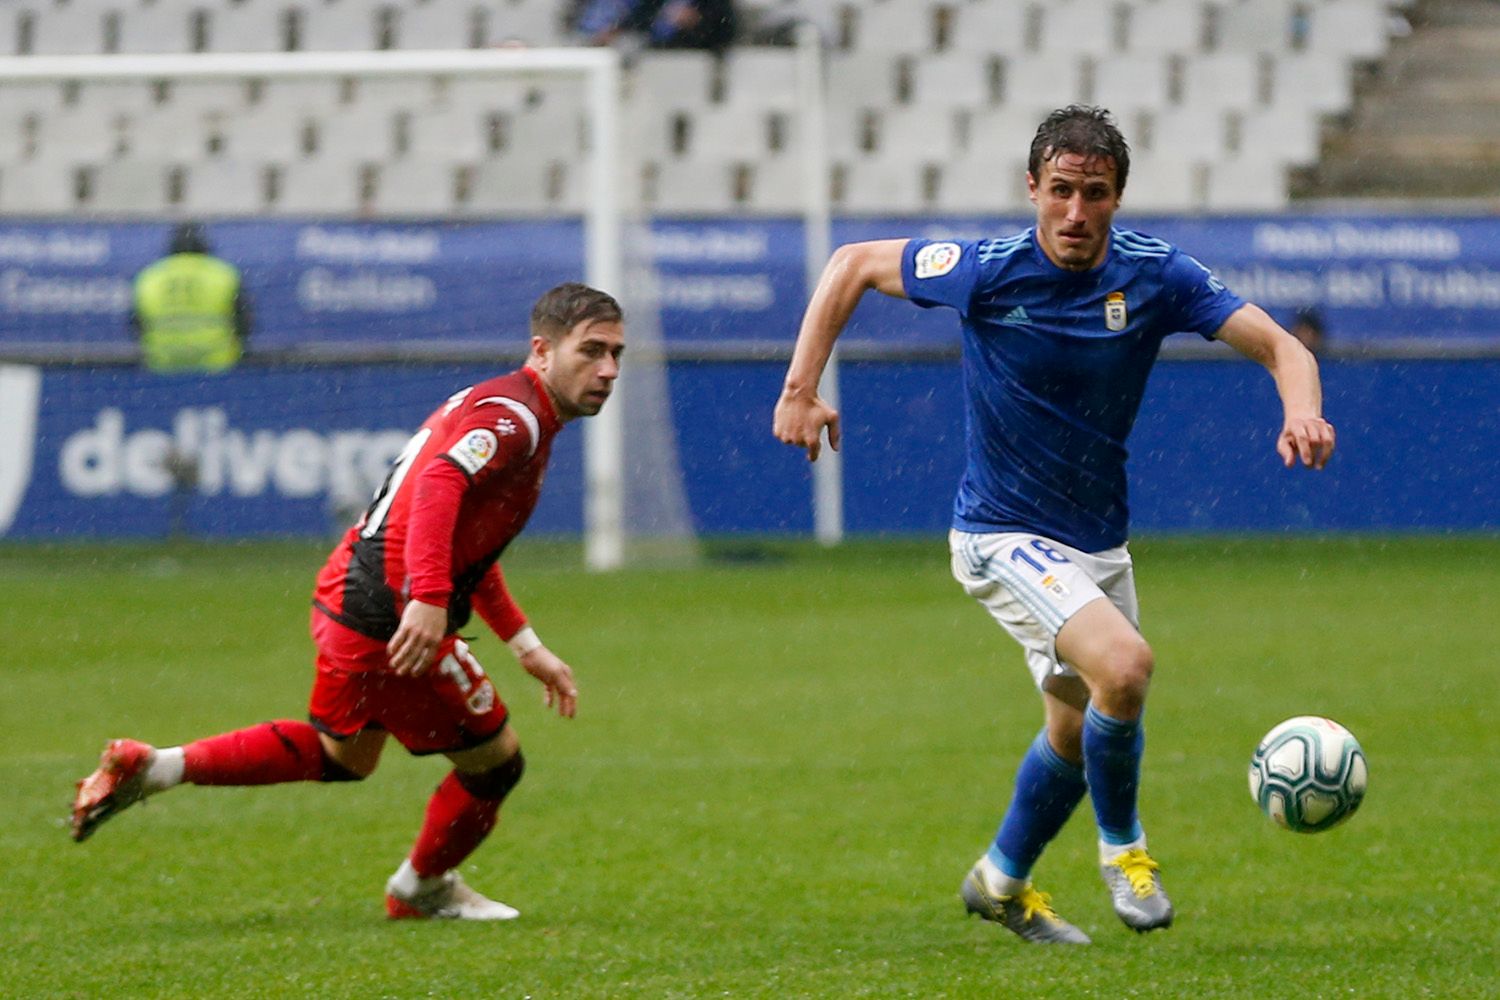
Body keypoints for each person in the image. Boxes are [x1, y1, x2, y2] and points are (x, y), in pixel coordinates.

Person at [773, 106, 1335, 945]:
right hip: (1000, 534)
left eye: (1095, 194)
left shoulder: (1157, 276)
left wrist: (1303, 411)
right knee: (1128, 667)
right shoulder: (986, 270)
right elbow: (851, 263)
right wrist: (798, 387)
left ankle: (999, 882)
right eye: (1061, 191)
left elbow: (1285, 348)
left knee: (1075, 731)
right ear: (1032, 188)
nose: (1075, 213)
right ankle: (1127, 853)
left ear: (1118, 198)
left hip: (1095, 543)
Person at [72, 282, 627, 921]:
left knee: (347, 756)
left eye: (615, 353)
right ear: (542, 350)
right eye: (591, 351)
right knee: (495, 765)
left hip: (350, 593)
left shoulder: (501, 403)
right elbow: (441, 485)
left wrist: (524, 644)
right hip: (390, 615)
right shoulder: (518, 418)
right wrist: (425, 598)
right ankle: (421, 889)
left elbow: (463, 542)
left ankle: (155, 767)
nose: (607, 370)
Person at [132, 222, 252, 374]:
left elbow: (136, 325)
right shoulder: (223, 274)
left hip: (163, 367)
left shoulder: (149, 277)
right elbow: (245, 322)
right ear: (204, 245)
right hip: (217, 366)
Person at [577, 0, 738, 51]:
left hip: (696, 55)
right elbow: (640, 18)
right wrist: (617, 29)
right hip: (656, 54)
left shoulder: (714, 3)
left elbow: (727, 30)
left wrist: (698, 21)